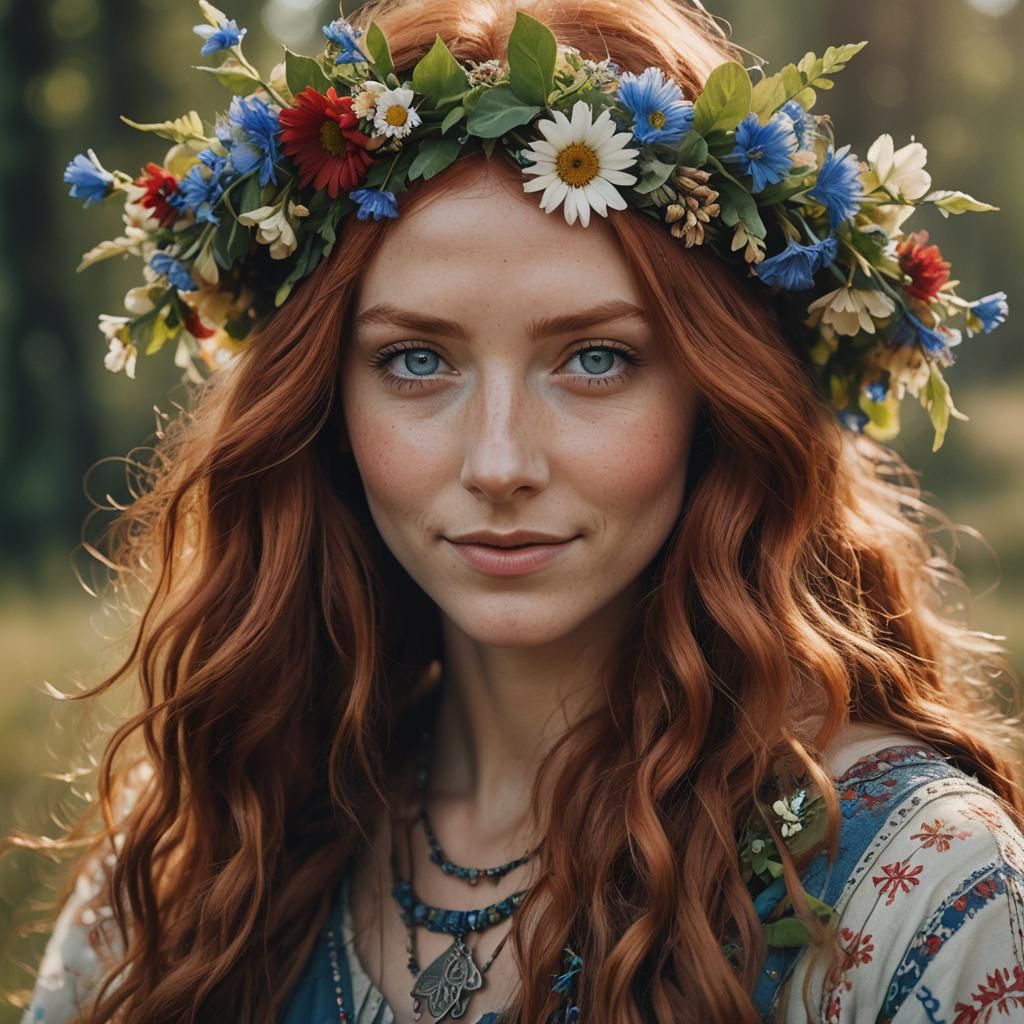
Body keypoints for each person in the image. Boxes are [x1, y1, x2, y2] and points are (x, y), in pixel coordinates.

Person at [12, 0, 1021, 1021]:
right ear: (322, 402)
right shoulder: (205, 854)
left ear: (719, 399)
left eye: (595, 359)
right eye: (415, 360)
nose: (498, 463)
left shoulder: (918, 886)